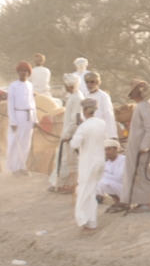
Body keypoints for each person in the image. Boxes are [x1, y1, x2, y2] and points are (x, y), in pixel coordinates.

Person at [114, 79, 150, 213]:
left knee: (143, 173)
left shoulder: (145, 106)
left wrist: (144, 146)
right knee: (137, 173)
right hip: (137, 147)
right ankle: (140, 202)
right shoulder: (142, 106)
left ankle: (145, 204)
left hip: (143, 149)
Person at [70, 98, 106, 231]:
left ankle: (83, 220)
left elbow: (74, 144)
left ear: (85, 110)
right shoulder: (102, 123)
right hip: (100, 161)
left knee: (84, 191)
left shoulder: (84, 126)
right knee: (91, 191)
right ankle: (92, 221)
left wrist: (78, 128)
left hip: (88, 163)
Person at [49, 73, 84, 193]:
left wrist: (68, 135)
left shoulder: (78, 98)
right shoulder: (73, 96)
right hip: (68, 134)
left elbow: (77, 119)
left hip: (72, 136)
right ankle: (61, 184)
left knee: (69, 161)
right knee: (65, 159)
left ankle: (64, 185)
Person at [7, 62, 35, 174]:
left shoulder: (30, 85)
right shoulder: (13, 86)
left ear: (28, 73)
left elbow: (33, 103)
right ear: (18, 72)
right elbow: (10, 104)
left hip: (29, 116)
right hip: (18, 116)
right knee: (15, 141)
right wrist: (12, 121)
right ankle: (13, 167)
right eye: (21, 70)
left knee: (26, 142)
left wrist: (35, 119)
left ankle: (22, 166)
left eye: (25, 71)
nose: (23, 72)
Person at [84, 72, 116, 139]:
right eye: (87, 82)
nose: (89, 84)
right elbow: (79, 113)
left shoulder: (103, 96)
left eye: (92, 82)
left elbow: (109, 115)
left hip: (100, 133)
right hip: (86, 132)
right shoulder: (84, 95)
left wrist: (112, 135)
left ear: (97, 83)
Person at [97, 139, 125, 204]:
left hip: (125, 188)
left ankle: (122, 201)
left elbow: (121, 179)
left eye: (109, 149)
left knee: (102, 181)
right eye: (105, 150)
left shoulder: (123, 159)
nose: (106, 152)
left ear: (116, 149)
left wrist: (103, 175)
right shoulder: (107, 163)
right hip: (116, 186)